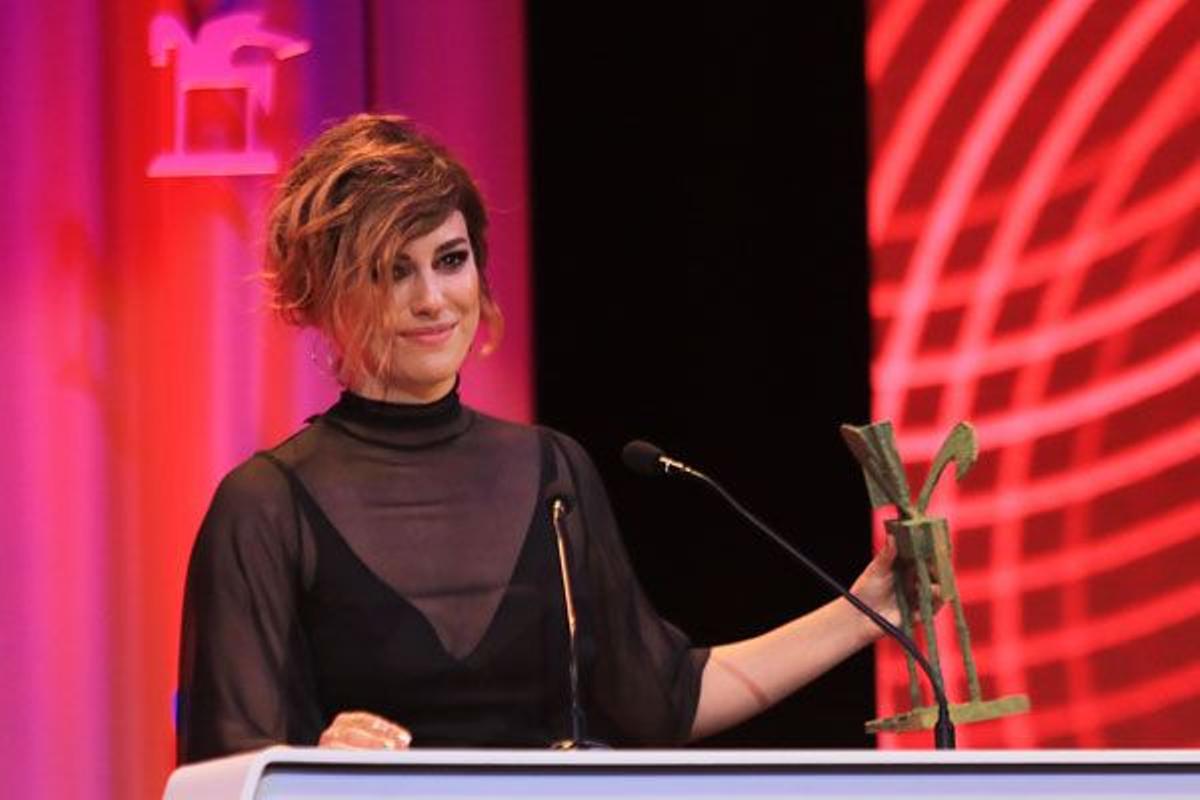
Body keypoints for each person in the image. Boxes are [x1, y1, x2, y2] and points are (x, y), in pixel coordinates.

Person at [177, 113, 906, 764]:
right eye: (392, 271)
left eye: (450, 259)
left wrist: (870, 609)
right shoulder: (264, 507)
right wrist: (314, 760)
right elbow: (230, 765)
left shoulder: (550, 471)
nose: (433, 299)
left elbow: (659, 700)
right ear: (326, 293)